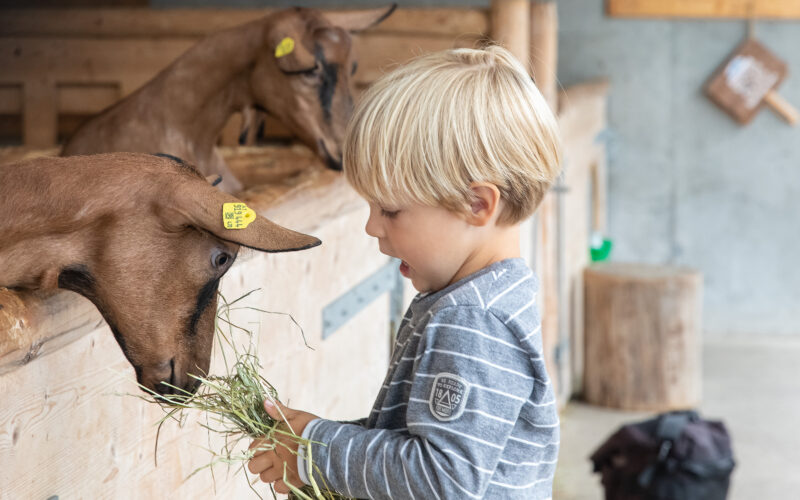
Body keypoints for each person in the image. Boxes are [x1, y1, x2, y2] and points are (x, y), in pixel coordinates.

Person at [247, 44, 562, 499]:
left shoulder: (472, 321)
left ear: (477, 204)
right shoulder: (490, 294)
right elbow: (426, 442)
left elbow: (442, 481)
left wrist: (317, 451)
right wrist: (316, 443)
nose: (372, 226)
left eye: (391, 210)